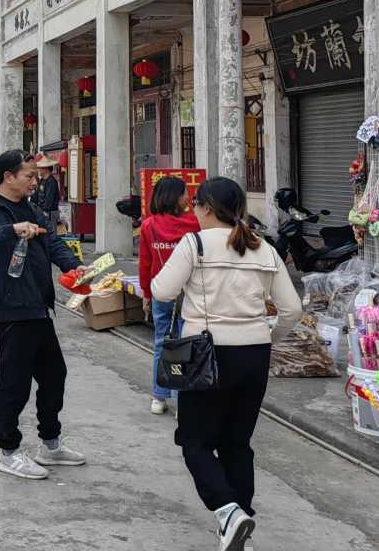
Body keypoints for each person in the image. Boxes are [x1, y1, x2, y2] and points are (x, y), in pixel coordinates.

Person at [152, 176, 299, 551]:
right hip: (254, 354)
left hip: (207, 356)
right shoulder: (263, 247)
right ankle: (238, 528)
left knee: (195, 442)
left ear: (205, 207)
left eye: (195, 206)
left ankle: (228, 512)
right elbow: (292, 309)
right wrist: (268, 337)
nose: (193, 212)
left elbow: (162, 291)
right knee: (237, 443)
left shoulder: (194, 244)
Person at [0, 150, 87, 481]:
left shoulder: (32, 207)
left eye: (35, 176)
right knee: (14, 381)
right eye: (28, 176)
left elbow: (53, 242)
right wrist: (11, 230)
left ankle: (50, 442)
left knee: (53, 375)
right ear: (8, 177)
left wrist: (75, 266)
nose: (35, 181)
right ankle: (9, 450)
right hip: (10, 306)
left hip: (38, 304)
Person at [138, 175, 199, 415]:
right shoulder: (195, 225)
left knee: (162, 343)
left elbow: (145, 263)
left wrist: (145, 293)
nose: (188, 197)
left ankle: (159, 396)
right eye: (185, 192)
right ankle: (186, 394)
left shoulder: (149, 226)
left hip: (161, 293)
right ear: (175, 197)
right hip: (189, 292)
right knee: (189, 344)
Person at [32, 154, 62, 232]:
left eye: (40, 168)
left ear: (46, 169)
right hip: (41, 211)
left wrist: (44, 211)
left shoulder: (51, 181)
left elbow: (49, 199)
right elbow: (37, 195)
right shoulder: (42, 180)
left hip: (50, 213)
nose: (39, 171)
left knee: (51, 233)